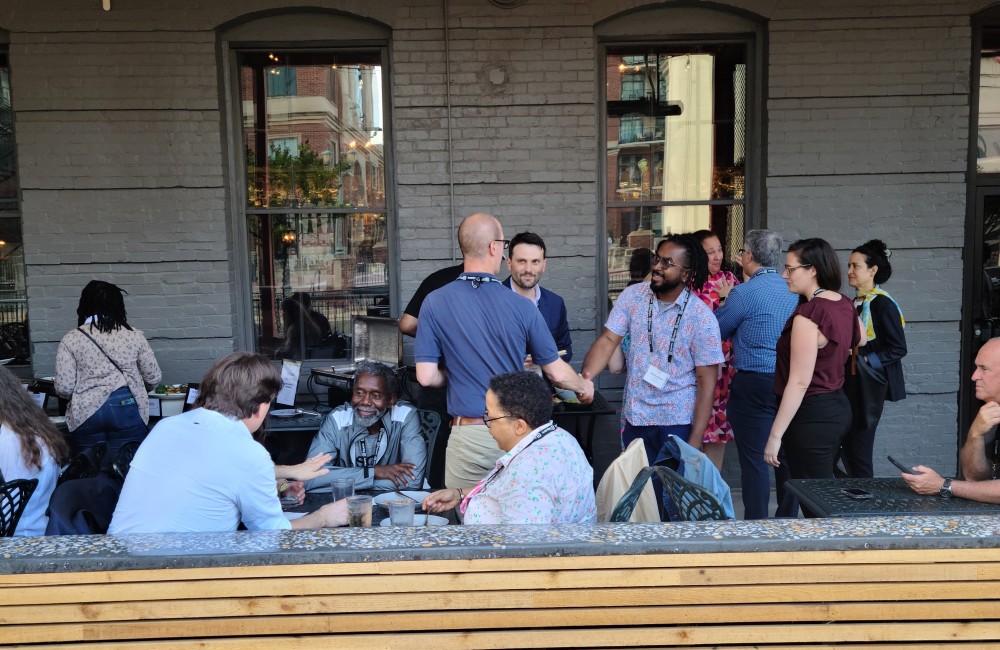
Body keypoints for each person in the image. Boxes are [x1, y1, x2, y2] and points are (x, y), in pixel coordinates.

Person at [415, 212, 593, 487]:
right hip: (513, 433)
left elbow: (426, 377)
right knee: (516, 522)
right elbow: (557, 373)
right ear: (494, 248)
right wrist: (583, 387)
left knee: (466, 523)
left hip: (467, 434)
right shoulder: (522, 306)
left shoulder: (434, 302)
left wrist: (457, 373)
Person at [109, 352, 346, 533]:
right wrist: (324, 517)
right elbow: (272, 534)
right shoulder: (248, 452)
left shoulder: (166, 426)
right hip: (176, 578)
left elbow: (211, 481)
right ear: (262, 405)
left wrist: (279, 485)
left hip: (117, 567)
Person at [583, 234, 723, 468]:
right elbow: (608, 339)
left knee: (668, 499)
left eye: (667, 263)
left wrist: (694, 443)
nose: (657, 266)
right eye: (658, 259)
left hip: (676, 422)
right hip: (636, 417)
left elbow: (707, 383)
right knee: (637, 495)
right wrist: (584, 379)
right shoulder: (633, 296)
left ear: (686, 274)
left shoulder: (702, 319)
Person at [422, 371, 596, 524]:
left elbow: (523, 547)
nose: (487, 424)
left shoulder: (531, 471)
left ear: (520, 426)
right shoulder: (558, 437)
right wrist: (459, 494)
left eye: (490, 417)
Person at [764, 238, 861, 490]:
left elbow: (799, 382)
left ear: (812, 270)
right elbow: (860, 337)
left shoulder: (808, 315)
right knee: (825, 494)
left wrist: (775, 436)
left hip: (812, 416)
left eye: (791, 269)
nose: (785, 275)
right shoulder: (843, 302)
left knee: (817, 502)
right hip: (837, 408)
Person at [715, 230, 798, 519]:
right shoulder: (793, 289)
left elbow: (717, 330)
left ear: (749, 256)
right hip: (790, 382)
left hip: (754, 381)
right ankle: (786, 520)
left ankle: (757, 525)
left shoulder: (743, 293)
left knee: (755, 460)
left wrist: (724, 300)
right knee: (787, 456)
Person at [55, 280, 162, 467]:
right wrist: (137, 387)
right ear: (118, 305)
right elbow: (153, 377)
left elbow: (64, 388)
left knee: (89, 472)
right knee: (126, 471)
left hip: (85, 412)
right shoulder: (134, 335)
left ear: (84, 305)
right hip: (127, 407)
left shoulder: (71, 339)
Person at [304, 360, 426, 492]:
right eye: (359, 393)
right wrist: (372, 472)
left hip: (392, 503)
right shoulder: (337, 419)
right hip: (344, 503)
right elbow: (311, 478)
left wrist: (344, 483)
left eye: (376, 395)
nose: (365, 402)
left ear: (391, 399)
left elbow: (412, 481)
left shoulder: (405, 415)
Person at [903, 337, 1000, 502]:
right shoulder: (992, 410)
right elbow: (974, 478)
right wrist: (975, 434)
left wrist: (944, 485)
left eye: (984, 369)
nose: (974, 376)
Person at [841, 239, 907, 478]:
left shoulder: (883, 304)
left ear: (872, 270)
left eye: (855, 266)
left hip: (869, 385)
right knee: (846, 445)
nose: (849, 271)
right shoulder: (854, 303)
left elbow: (898, 348)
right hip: (852, 384)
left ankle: (864, 501)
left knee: (859, 447)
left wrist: (866, 361)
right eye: (848, 265)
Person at [399, 260, 464, 488]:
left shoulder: (438, 280)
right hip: (473, 402)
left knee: (433, 470)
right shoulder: (495, 289)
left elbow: (406, 324)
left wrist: (436, 339)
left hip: (435, 393)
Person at [0, 366, 70, 536]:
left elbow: (8, 506)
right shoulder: (31, 429)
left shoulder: (10, 440)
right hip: (36, 525)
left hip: (18, 536)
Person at [691, 229, 741, 469]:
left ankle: (712, 491)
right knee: (693, 426)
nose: (717, 256)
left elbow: (742, 317)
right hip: (695, 370)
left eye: (719, 249)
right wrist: (724, 301)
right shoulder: (689, 285)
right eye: (710, 252)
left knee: (718, 429)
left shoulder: (730, 279)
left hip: (725, 371)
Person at [502, 232, 573, 360]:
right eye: (522, 261)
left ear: (544, 265)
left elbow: (565, 350)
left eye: (535, 262)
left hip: (543, 379)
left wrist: (544, 361)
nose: (528, 269)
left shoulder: (555, 303)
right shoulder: (492, 300)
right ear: (509, 263)